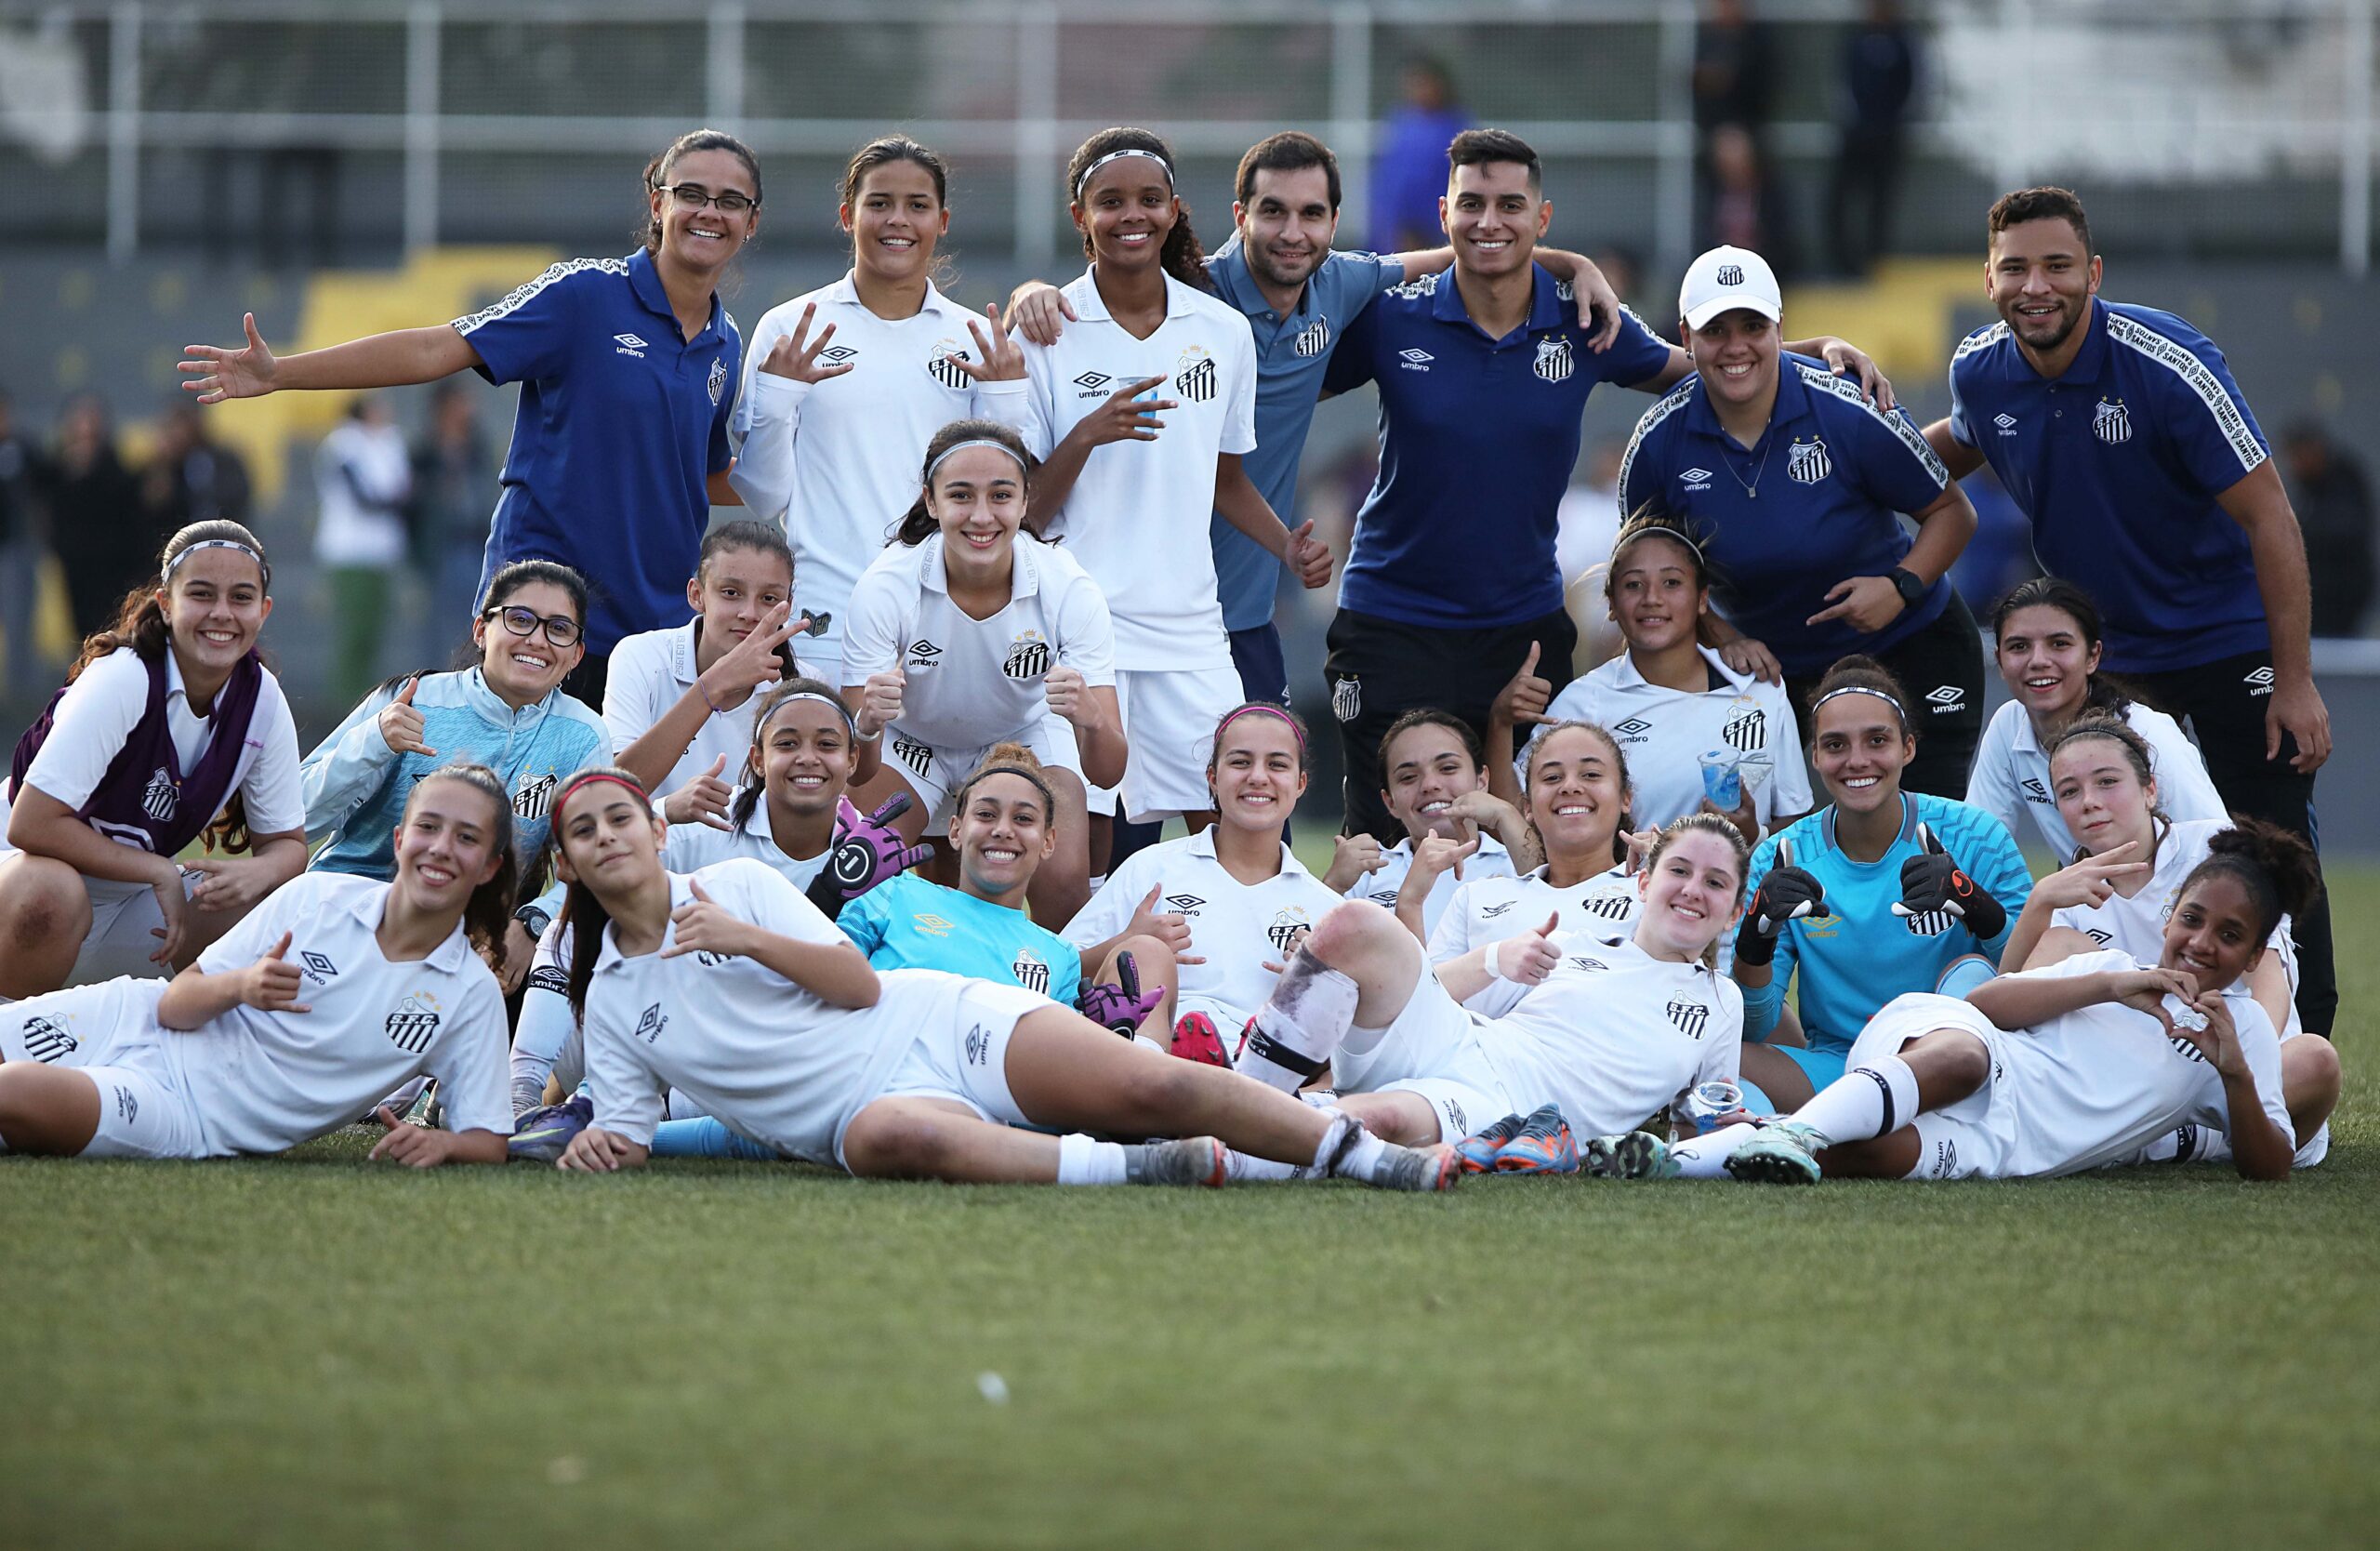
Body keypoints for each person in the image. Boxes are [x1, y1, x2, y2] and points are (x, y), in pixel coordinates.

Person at [1002, 129, 1622, 872]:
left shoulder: (1326, 288)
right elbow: (1110, 278)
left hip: (1228, 619)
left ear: (1333, 224)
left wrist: (1572, 262)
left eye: (1310, 214)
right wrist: (1030, 293)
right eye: (1272, 212)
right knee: (1111, 850)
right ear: (1238, 216)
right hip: (1107, 619)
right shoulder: (1193, 298)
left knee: (1254, 840)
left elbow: (1470, 248)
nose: (1291, 233)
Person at [1318, 131, 1887, 842]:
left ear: (1542, 218)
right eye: (1471, 204)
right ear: (1444, 212)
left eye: (1510, 206)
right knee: (1387, 838)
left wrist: (1811, 350)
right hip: (1391, 619)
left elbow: (1709, 363)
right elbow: (1278, 381)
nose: (1489, 221)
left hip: (1519, 627)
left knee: (1535, 840)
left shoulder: (1582, 317)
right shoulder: (1391, 313)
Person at [542, 766, 1456, 1190]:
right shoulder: (611, 998)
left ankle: (1369, 1159)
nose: (608, 839)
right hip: (852, 1120)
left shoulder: (734, 887)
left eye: (620, 820)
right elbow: (624, 1127)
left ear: (656, 831)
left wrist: (741, 938)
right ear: (568, 867)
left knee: (1157, 1082)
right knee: (901, 1139)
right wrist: (571, 1142)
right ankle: (1140, 1171)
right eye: (584, 835)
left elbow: (855, 988)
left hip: (930, 1024)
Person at [1923, 185, 2334, 1032]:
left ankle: (2298, 1050)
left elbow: (2271, 515)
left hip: (2223, 639)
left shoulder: (2167, 364)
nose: (2037, 286)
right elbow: (1953, 444)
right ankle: (2125, 1034)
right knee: (2113, 844)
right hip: (2109, 655)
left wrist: (2293, 680)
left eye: (2058, 266)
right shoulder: (1980, 368)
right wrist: (1844, 424)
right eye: (2016, 268)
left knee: (2265, 843)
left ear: (2095, 273)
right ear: (1990, 279)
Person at [180, 128, 760, 700]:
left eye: (731, 201)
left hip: (652, 634)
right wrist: (280, 373)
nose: (710, 212)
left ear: (750, 223)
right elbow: (437, 348)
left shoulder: (726, 344)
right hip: (546, 616)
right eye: (692, 194)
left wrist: (809, 466)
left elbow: (702, 477)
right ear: (659, 203)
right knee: (514, 796)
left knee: (626, 798)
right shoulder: (584, 295)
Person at [972, 126, 1330, 849]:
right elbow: (1025, 513)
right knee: (1083, 855)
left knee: (1239, 837)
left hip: (1191, 632)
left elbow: (1223, 478)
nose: (1129, 215)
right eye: (1110, 201)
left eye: (1147, 199)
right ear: (1081, 216)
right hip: (1078, 629)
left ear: (1173, 210)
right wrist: (1085, 435)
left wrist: (1284, 549)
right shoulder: (1047, 330)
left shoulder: (1223, 332)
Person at [1669, 820, 2314, 1186]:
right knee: (1966, 1057)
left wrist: (2232, 1075)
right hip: (1948, 1049)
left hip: (2010, 1143)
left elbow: (2270, 1166)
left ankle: (1678, 1163)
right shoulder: (2115, 967)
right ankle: (1795, 1127)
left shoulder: (2245, 1031)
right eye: (2192, 919)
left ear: (2256, 955)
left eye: (2230, 936)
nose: (2201, 943)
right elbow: (1986, 1005)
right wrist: (2112, 985)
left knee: (1865, 1157)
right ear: (2171, 914)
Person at [0, 764, 516, 1165]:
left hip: (184, 1113)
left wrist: (444, 1146)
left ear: (491, 867)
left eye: (467, 838)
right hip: (131, 1015)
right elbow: (174, 1005)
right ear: (401, 840)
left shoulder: (469, 992)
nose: (442, 848)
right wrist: (243, 986)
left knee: (14, 1092)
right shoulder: (318, 897)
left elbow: (488, 1139)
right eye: (429, 827)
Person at [1620, 245, 1981, 796]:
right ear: (1686, 339)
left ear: (1780, 328)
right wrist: (1719, 633)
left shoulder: (1850, 406)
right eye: (1715, 330)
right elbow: (1648, 574)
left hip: (1910, 645)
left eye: (1752, 325)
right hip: (1771, 677)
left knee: (1924, 843)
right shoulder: (1657, 443)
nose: (1735, 346)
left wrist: (1899, 586)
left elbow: (1952, 512)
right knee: (1779, 853)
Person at [1224, 814, 1749, 1173]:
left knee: (1378, 1120)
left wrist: (1735, 1132)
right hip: (1461, 1042)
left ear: (1734, 910)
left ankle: (1215, 1143)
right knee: (1355, 922)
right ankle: (1236, 1107)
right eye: (1678, 871)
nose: (1692, 890)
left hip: (1507, 1112)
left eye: (1715, 882)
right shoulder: (1570, 942)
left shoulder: (1722, 1002)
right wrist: (1497, 959)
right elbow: (1437, 996)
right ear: (1643, 883)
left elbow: (1700, 1122)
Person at [505, 680, 897, 1134]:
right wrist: (538, 919)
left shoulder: (872, 857)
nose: (807, 757)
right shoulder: (704, 822)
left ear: (852, 760)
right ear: (756, 759)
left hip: (744, 1057)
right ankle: (522, 1096)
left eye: (827, 745)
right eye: (787, 743)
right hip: (630, 1024)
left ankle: (593, 1115)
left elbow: (851, 990)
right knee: (569, 929)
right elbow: (599, 864)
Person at [1995, 716, 2337, 1166]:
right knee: (2061, 944)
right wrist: (2038, 902)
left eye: (2107, 782)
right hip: (2138, 1079)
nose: (2090, 803)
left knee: (2315, 1059)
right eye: (2069, 791)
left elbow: (2270, 981)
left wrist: (2245, 1061)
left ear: (2150, 790)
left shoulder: (2216, 853)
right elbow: (2002, 1009)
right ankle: (2159, 1132)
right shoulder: (2067, 891)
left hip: (2239, 1068)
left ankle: (2169, 1137)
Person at [728, 136, 997, 688]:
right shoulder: (788, 328)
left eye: (917, 206)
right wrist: (779, 401)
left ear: (942, 220)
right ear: (848, 215)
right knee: (833, 771)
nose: (897, 220)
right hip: (827, 617)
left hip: (946, 615)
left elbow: (1002, 498)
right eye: (879, 203)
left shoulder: (975, 337)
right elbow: (762, 496)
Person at [0, 521, 305, 997]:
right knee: (52, 896)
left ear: (263, 611)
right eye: (201, 594)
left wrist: (256, 873)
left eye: (241, 598)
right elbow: (30, 824)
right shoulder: (125, 677)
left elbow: (288, 846)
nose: (222, 614)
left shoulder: (262, 701)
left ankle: (168, 1056)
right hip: (22, 879)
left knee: (270, 907)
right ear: (165, 603)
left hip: (126, 905)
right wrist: (158, 870)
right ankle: (11, 1044)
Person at [843, 421, 1123, 925]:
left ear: (1024, 501)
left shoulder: (1069, 587)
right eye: (960, 495)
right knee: (856, 867)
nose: (981, 516)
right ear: (930, 501)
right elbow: (856, 767)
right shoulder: (885, 587)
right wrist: (865, 726)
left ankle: (1057, 1001)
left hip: (1023, 734)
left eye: (1000, 495)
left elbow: (1109, 769)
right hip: (912, 743)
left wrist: (1091, 721)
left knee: (1060, 879)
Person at [1733, 656, 2031, 1111]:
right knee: (1712, 1054)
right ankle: (1838, 1120)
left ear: (1908, 747)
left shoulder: (1977, 835)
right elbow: (1756, 1026)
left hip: (1950, 1062)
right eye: (1835, 745)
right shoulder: (1781, 856)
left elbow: (2031, 980)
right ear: (1815, 756)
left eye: (1877, 740)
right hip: (1841, 1066)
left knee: (1970, 979)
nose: (1857, 761)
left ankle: (1824, 1125)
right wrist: (1755, 939)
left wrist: (1976, 906)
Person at [299, 559, 610, 984]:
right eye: (520, 620)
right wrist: (372, 742)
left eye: (558, 629)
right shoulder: (412, 699)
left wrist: (534, 923)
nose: (538, 640)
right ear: (482, 630)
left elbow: (594, 860)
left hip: (473, 943)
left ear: (576, 654)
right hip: (346, 915)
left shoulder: (584, 735)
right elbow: (297, 816)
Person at [1491, 510, 1812, 841]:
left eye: (1672, 582)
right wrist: (1501, 722)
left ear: (1703, 599)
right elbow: (1515, 825)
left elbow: (1797, 824)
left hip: (1739, 890)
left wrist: (1751, 835)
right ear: (1612, 604)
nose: (1652, 599)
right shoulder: (1582, 702)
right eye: (1634, 585)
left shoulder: (1761, 690)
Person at [1062, 704, 1343, 1066]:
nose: (1258, 777)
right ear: (1212, 777)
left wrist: (1323, 980)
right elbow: (1055, 971)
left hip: (1259, 1077)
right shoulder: (1152, 869)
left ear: (1301, 783)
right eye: (1240, 762)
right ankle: (1157, 1073)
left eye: (1277, 764)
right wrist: (1126, 940)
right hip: (1148, 1066)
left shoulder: (1325, 909)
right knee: (1145, 951)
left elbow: (1357, 1039)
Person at [1967, 577, 2223, 859]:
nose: (2038, 660)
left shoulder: (2149, 732)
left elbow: (2217, 850)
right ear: (1999, 661)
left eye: (2059, 644)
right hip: (2089, 900)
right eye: (2019, 647)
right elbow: (1978, 846)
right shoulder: (2007, 725)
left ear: (2093, 656)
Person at [602, 520, 817, 830]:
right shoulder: (640, 656)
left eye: (769, 598)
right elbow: (611, 792)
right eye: (731, 593)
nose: (750, 613)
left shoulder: (805, 686)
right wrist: (715, 685)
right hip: (654, 856)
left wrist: (866, 729)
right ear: (696, 594)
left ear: (787, 606)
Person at [1431, 721, 1649, 963]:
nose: (1570, 787)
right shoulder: (1476, 897)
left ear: (1625, 798)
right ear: (1528, 807)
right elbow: (1429, 993)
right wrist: (1411, 899)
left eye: (1591, 775)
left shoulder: (1654, 894)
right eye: (1552, 777)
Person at [1327, 709, 1532, 943]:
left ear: (1482, 780)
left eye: (1447, 768)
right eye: (1408, 777)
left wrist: (1506, 813)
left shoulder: (1516, 863)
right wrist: (1332, 884)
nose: (1430, 784)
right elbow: (1306, 959)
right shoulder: (1367, 875)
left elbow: (1561, 903)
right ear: (1390, 801)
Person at [313, 395, 414, 705]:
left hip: (381, 553)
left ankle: (368, 701)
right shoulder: (343, 444)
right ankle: (346, 703)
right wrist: (391, 498)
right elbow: (367, 498)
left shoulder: (389, 441)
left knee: (373, 634)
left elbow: (405, 491)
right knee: (355, 634)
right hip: (351, 552)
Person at [40, 394, 147, 642]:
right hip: (75, 563)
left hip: (112, 564)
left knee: (110, 623)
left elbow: (127, 509)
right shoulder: (58, 469)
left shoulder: (116, 468)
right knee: (79, 630)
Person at [1826, 0, 1919, 277]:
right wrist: (1854, 121)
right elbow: (1839, 85)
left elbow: (1916, 87)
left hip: (1888, 136)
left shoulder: (1905, 42)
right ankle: (1843, 263)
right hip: (1855, 135)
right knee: (1840, 199)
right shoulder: (1853, 39)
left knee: (1881, 202)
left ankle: (1875, 263)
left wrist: (1895, 123)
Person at [405, 380, 495, 651]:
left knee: (473, 624)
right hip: (439, 550)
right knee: (436, 627)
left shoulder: (477, 448)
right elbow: (411, 505)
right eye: (461, 402)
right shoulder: (424, 453)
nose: (469, 409)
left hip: (475, 545)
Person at [2281, 422, 2374, 637]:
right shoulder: (2308, 488)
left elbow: (2345, 531)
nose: (2293, 465)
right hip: (2319, 599)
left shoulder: (2345, 482)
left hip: (2341, 598)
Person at [1370, 58, 1471, 256]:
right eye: (1413, 84)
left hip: (1433, 217)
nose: (1418, 90)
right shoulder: (1400, 121)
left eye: (1423, 84)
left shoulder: (1455, 126)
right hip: (1398, 216)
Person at [0, 390, 50, 688]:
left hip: (17, 548)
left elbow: (49, 482)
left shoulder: (24, 449)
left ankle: (18, 689)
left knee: (20, 622)